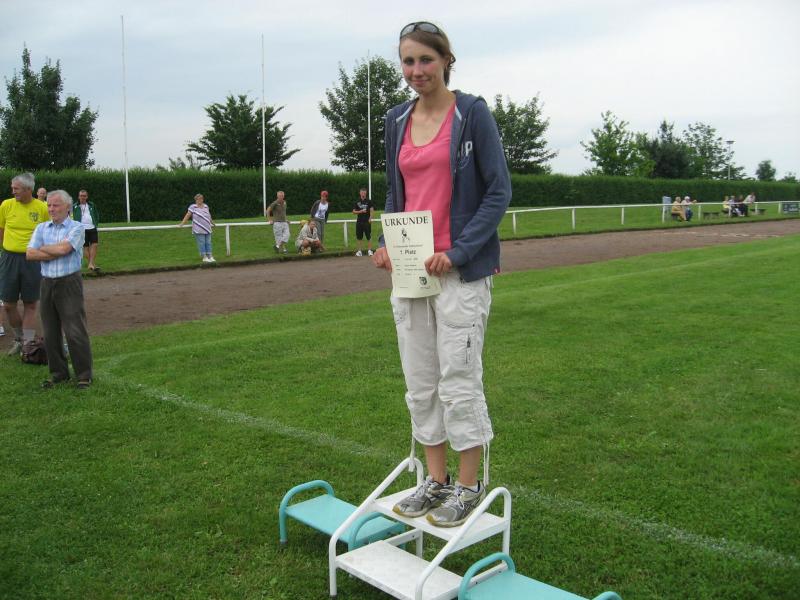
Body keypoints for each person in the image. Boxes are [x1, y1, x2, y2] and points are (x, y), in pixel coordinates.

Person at [372, 21, 511, 527]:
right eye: (408, 61)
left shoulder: (472, 114)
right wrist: (388, 242)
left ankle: (469, 486)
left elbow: (498, 191)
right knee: (420, 381)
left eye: (426, 60)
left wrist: (458, 251)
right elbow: (397, 194)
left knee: (459, 379)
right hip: (413, 273)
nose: (417, 71)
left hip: (459, 272)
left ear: (446, 60)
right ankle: (434, 480)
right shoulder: (396, 119)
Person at [26, 190, 93, 389]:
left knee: (75, 330)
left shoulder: (77, 227)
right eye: (49, 205)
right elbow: (30, 254)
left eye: (55, 205)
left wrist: (44, 248)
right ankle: (58, 373)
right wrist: (54, 250)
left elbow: (65, 249)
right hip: (47, 282)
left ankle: (84, 375)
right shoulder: (41, 228)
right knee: (50, 331)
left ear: (67, 207)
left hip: (69, 282)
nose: (51, 209)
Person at [0, 173, 49, 355]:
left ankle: (28, 344)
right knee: (8, 304)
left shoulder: (42, 208)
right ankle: (20, 338)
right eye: (12, 188)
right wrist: (8, 248)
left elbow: (48, 233)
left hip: (32, 260)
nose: (13, 191)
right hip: (9, 258)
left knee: (30, 304)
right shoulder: (6, 205)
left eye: (16, 189)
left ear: (29, 189)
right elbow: (1, 230)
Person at [179, 193, 216, 262]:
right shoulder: (193, 207)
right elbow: (188, 215)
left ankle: (210, 256)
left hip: (207, 228)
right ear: (195, 200)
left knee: (208, 242)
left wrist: (212, 223)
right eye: (198, 199)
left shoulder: (206, 206)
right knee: (202, 243)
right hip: (198, 229)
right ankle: (204, 257)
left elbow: (209, 215)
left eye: (201, 199)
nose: (200, 200)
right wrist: (182, 223)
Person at [73, 189, 101, 272]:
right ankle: (91, 264)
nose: (83, 197)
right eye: (81, 196)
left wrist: (96, 223)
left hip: (92, 227)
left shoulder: (91, 205)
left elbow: (96, 214)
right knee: (85, 247)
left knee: (95, 244)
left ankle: (91, 263)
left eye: (84, 196)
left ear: (87, 197)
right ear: (78, 197)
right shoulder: (75, 206)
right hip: (81, 229)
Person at [352, 187, 375, 256]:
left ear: (366, 193)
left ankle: (369, 250)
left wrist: (370, 218)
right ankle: (359, 251)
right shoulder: (357, 201)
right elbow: (353, 211)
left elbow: (372, 210)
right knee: (359, 237)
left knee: (368, 236)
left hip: (367, 221)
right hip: (359, 222)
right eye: (362, 192)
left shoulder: (369, 201)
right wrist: (360, 211)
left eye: (364, 193)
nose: (363, 194)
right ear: (360, 193)